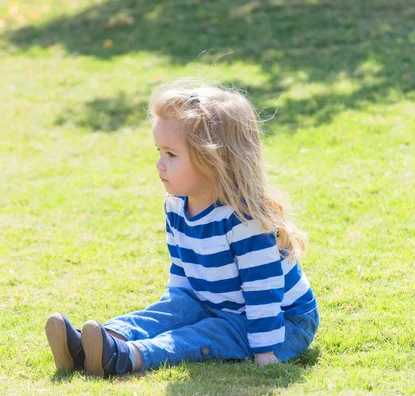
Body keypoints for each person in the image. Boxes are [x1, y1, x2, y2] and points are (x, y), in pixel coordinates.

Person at [45, 79, 319, 377]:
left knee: (202, 334)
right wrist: (177, 309)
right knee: (173, 311)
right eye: (159, 152)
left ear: (212, 160)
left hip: (281, 322)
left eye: (171, 155)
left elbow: (263, 294)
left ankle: (127, 357)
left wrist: (265, 352)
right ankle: (96, 345)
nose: (160, 165)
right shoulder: (176, 205)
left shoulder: (245, 221)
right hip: (215, 302)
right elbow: (181, 269)